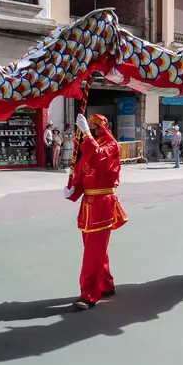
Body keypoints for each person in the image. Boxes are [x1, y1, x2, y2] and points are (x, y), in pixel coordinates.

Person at [65, 114, 127, 310]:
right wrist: (74, 189)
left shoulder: (111, 145)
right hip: (89, 204)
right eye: (88, 126)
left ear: (102, 126)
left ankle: (89, 294)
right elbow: (85, 170)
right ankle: (106, 284)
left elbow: (99, 158)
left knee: (93, 252)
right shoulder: (91, 144)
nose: (91, 129)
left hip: (102, 204)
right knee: (96, 250)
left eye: (93, 126)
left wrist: (85, 133)